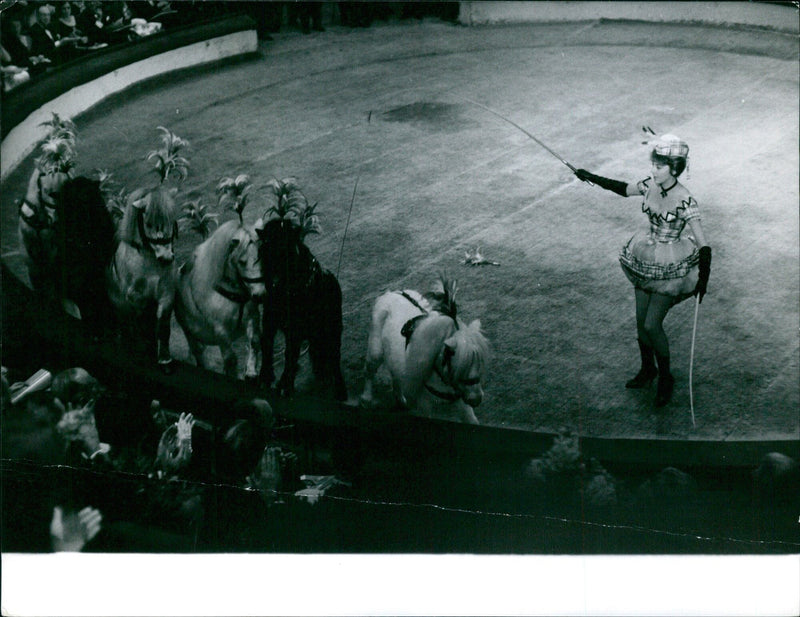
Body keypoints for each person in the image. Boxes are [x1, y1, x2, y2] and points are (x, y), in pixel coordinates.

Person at [575, 134, 712, 407]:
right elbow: (623, 188)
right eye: (653, 165)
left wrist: (703, 279)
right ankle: (647, 370)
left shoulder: (686, 200)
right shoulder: (650, 185)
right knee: (641, 324)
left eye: (659, 167)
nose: (653, 170)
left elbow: (703, 243)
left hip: (670, 268)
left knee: (652, 325)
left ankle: (665, 378)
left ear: (674, 168)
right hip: (645, 259)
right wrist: (589, 176)